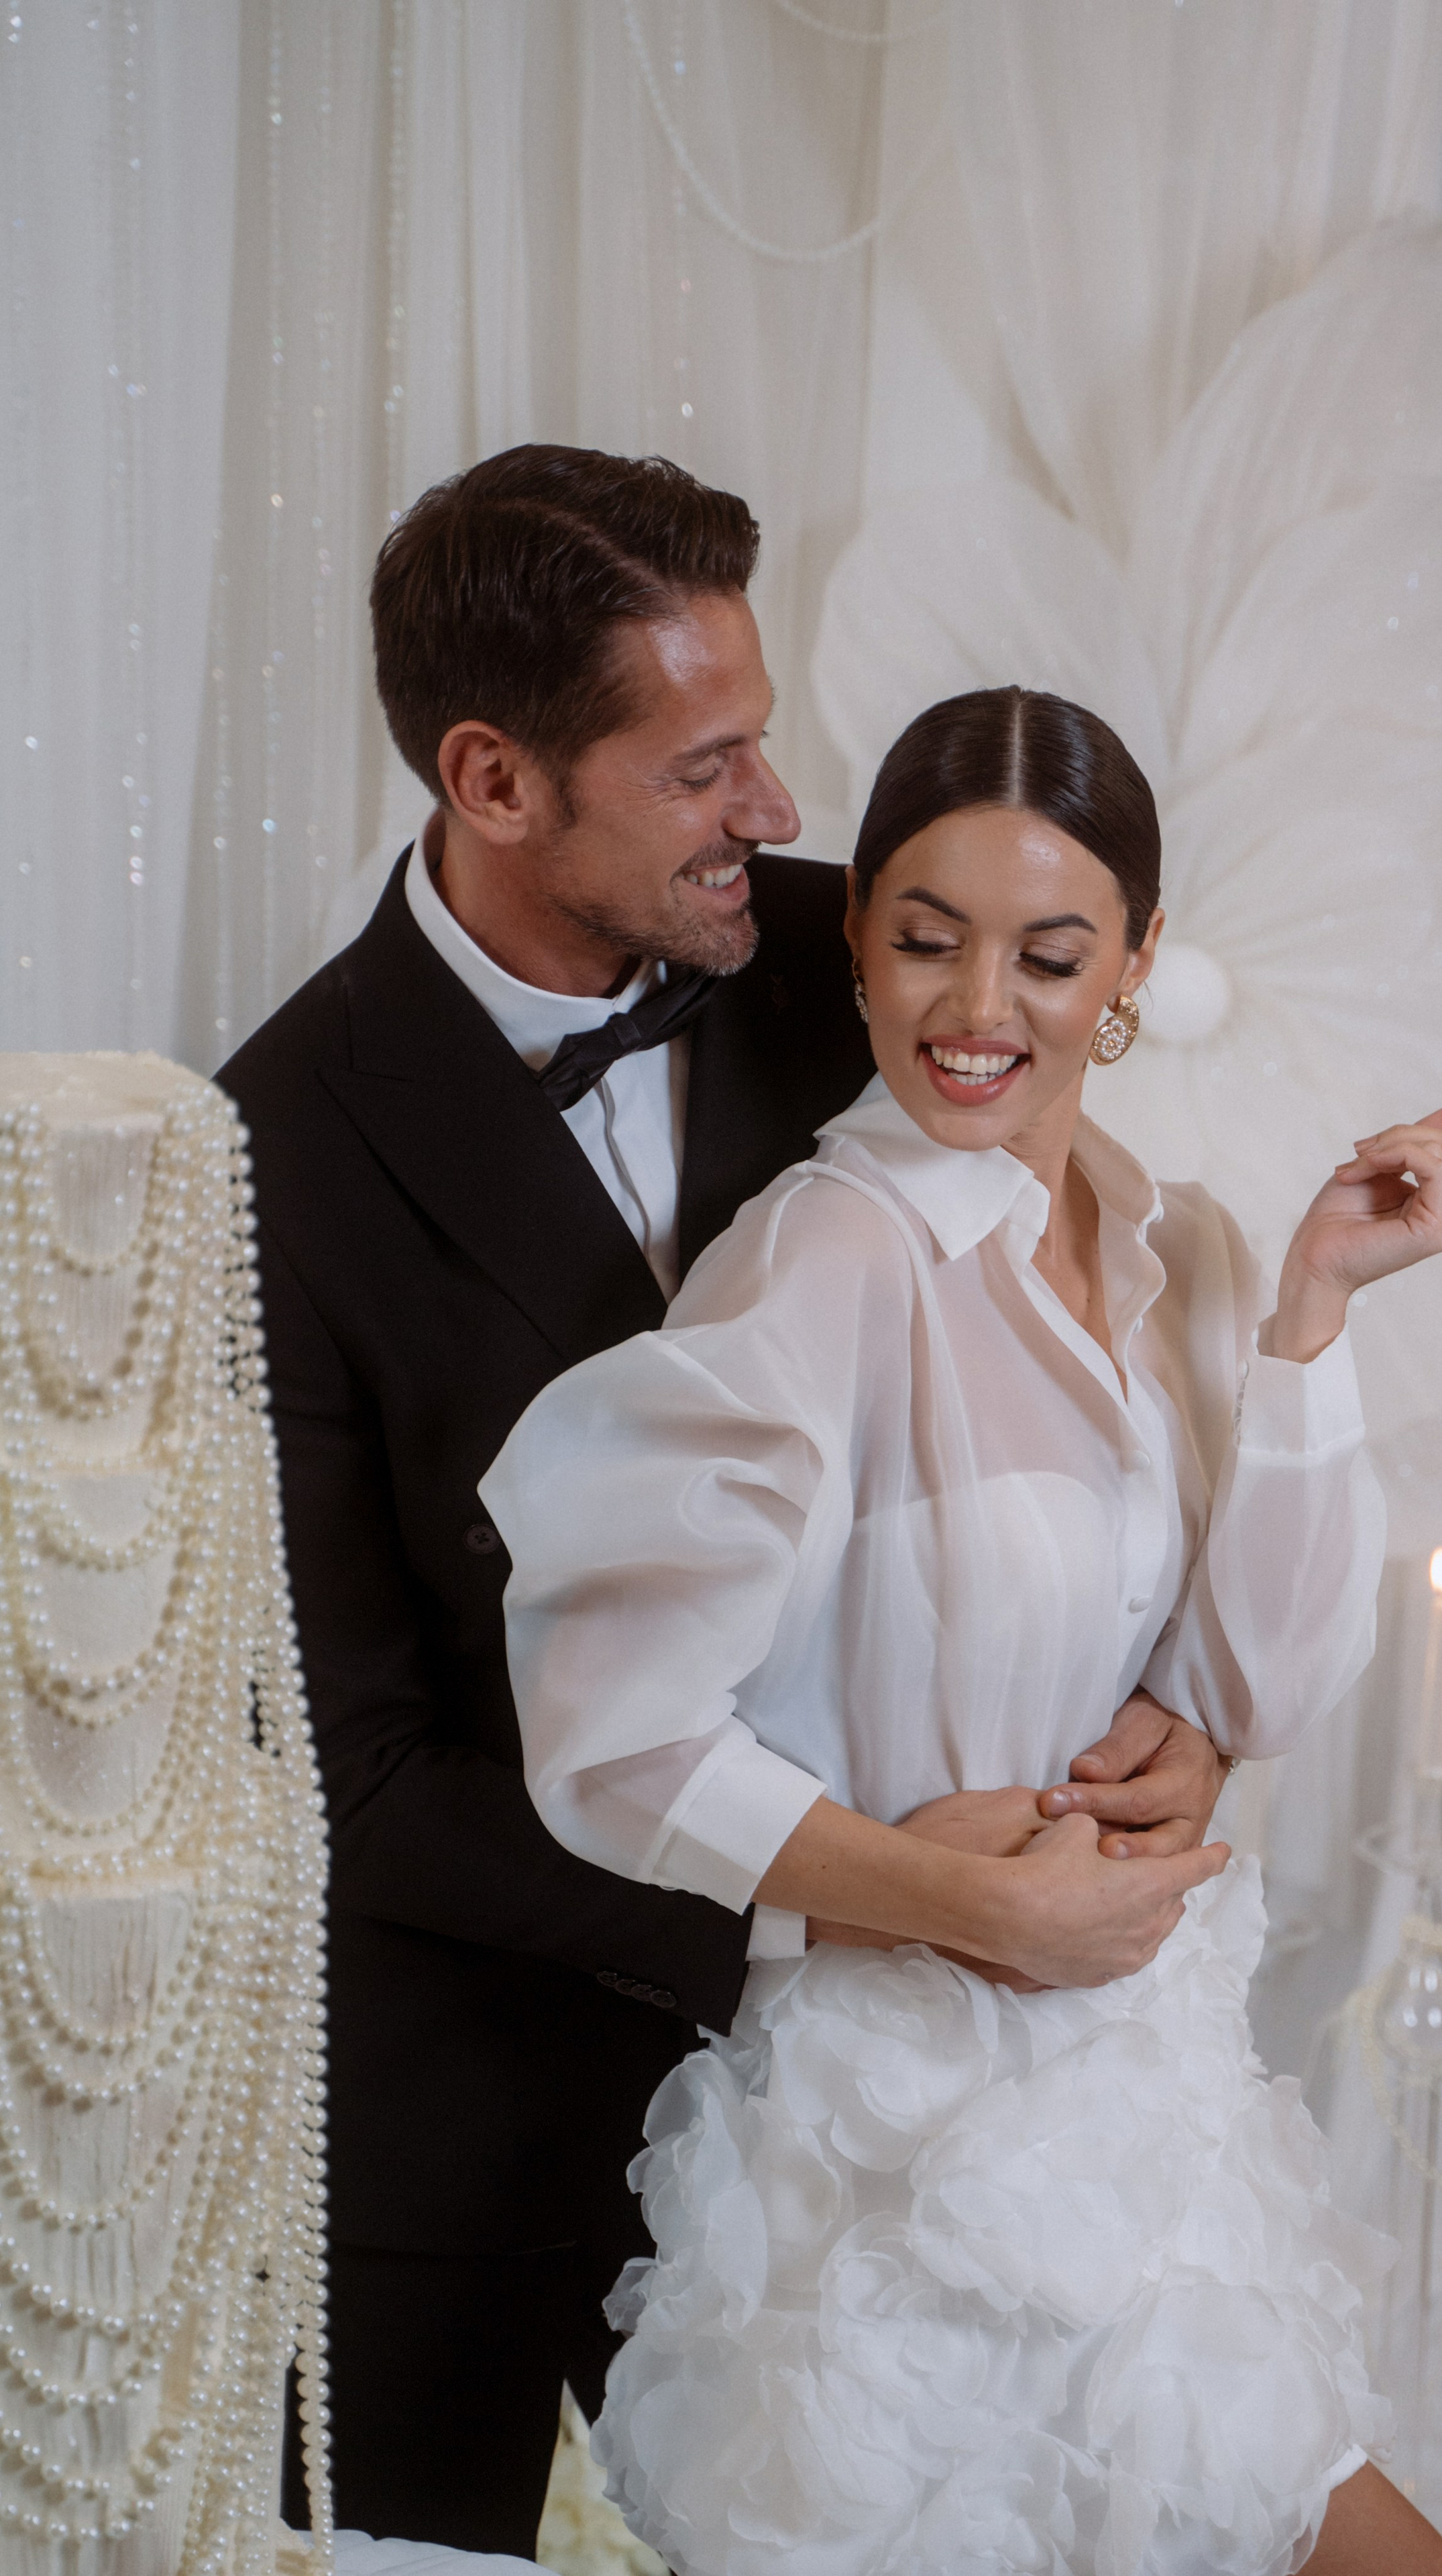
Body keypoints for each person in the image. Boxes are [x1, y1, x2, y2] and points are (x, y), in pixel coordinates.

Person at [219, 449, 1225, 2557]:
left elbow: (1078, 1346)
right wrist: (859, 1887)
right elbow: (363, 1774)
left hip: (892, 2095)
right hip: (481, 2104)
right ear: (497, 781)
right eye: (708, 765)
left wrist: (1172, 1703)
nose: (777, 811)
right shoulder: (270, 1160)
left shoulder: (862, 952)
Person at [482, 686, 1442, 2574]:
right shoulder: (824, 1259)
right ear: (858, 926)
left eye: (1049, 955)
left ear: (1134, 963)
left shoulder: (1166, 1241)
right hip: (903, 2141)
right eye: (929, 940)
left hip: (1147, 2098)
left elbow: (1254, 1683)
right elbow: (608, 1728)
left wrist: (1308, 1318)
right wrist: (955, 1898)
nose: (978, 1012)